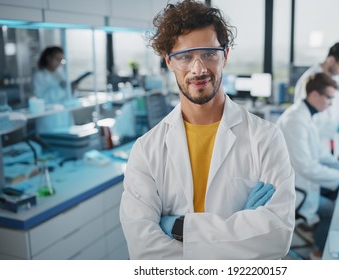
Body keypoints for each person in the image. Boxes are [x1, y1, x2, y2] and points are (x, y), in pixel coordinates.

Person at [119, 0, 296, 260]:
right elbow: (143, 251)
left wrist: (179, 227)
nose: (198, 68)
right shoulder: (147, 150)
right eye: (185, 56)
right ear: (169, 61)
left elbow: (276, 237)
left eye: (209, 54)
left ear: (224, 55)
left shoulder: (266, 138)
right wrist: (242, 227)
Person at [276, 73, 339, 259]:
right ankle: (317, 254)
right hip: (296, 190)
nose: (331, 103)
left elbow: (319, 153)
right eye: (329, 97)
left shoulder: (307, 115)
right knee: (333, 210)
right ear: (314, 95)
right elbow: (306, 166)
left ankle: (317, 238)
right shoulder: (295, 121)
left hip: (306, 182)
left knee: (338, 193)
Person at [293, 42, 339, 155]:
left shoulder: (335, 78)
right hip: (316, 141)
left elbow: (336, 106)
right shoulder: (309, 81)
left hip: (331, 141)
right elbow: (305, 119)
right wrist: (334, 127)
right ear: (331, 60)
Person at [32, 46, 76, 132]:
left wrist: (72, 89)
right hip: (49, 119)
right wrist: (60, 88)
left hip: (64, 116)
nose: (59, 63)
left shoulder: (61, 73)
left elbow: (68, 98)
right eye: (57, 59)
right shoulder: (39, 76)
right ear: (48, 58)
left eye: (61, 60)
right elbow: (41, 99)